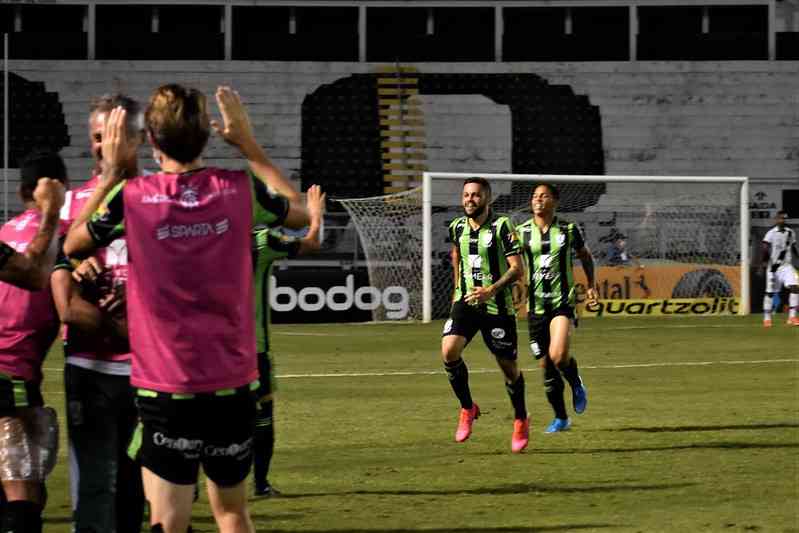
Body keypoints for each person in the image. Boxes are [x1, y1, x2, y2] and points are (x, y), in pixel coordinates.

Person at [64, 84, 308, 533]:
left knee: (168, 521)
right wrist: (247, 144)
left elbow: (73, 242)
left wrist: (111, 172)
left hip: (165, 388)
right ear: (208, 137)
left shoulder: (132, 197)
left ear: (151, 141)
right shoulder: (238, 189)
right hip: (232, 385)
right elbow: (301, 212)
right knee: (233, 513)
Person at [53, 93, 146, 533]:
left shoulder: (158, 196)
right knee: (91, 487)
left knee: (140, 486)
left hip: (150, 369)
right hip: (89, 366)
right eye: (96, 136)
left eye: (113, 136)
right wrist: (71, 263)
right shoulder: (72, 204)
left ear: (138, 140)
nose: (103, 145)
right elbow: (51, 270)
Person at [0, 150, 67, 533]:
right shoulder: (64, 234)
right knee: (23, 485)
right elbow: (35, 276)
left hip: (15, 370)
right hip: (11, 372)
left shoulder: (4, 232)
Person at [441, 177, 528, 453]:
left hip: (496, 306)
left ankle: (521, 419)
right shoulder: (456, 227)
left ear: (487, 198)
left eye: (476, 195)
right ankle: (468, 408)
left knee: (508, 368)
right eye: (466, 195)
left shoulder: (503, 226)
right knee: (449, 351)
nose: (470, 199)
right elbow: (458, 255)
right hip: (466, 301)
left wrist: (490, 290)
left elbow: (518, 268)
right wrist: (458, 289)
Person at [251, 184, 325, 497]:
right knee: (263, 416)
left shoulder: (207, 237)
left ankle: (188, 487)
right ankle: (261, 484)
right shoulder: (262, 241)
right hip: (253, 351)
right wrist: (315, 217)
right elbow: (311, 244)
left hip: (211, 349)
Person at [517, 183, 597, 433]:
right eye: (535, 196)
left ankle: (575, 382)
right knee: (546, 367)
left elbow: (585, 255)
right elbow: (509, 262)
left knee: (558, 355)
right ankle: (561, 418)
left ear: (555, 201)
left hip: (562, 302)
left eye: (544, 196)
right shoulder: (520, 232)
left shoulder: (569, 229)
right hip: (535, 307)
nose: (538, 200)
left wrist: (592, 285)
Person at [761, 210, 799, 327]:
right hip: (774, 268)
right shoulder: (770, 233)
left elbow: (793, 247)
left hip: (787, 266)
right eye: (780, 218)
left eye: (784, 218)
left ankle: (792, 317)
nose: (782, 220)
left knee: (795, 287)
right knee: (770, 293)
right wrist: (763, 262)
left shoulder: (790, 232)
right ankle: (767, 318)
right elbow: (765, 248)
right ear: (776, 219)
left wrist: (798, 257)